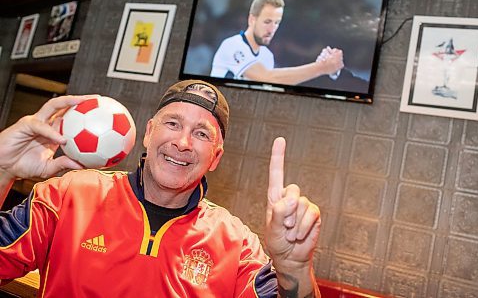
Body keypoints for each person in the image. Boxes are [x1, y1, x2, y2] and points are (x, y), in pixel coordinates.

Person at [0, 80, 321, 297]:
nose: (182, 142)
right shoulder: (68, 194)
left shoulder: (237, 244)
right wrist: (2, 171)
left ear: (216, 157)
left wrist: (294, 269)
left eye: (202, 134)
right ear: (149, 132)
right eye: (172, 124)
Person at [210, 0, 344, 85]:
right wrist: (320, 68)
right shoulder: (232, 45)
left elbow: (277, 81)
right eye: (267, 22)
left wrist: (323, 67)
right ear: (252, 19)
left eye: (276, 23)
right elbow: (267, 78)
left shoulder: (267, 56)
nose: (272, 29)